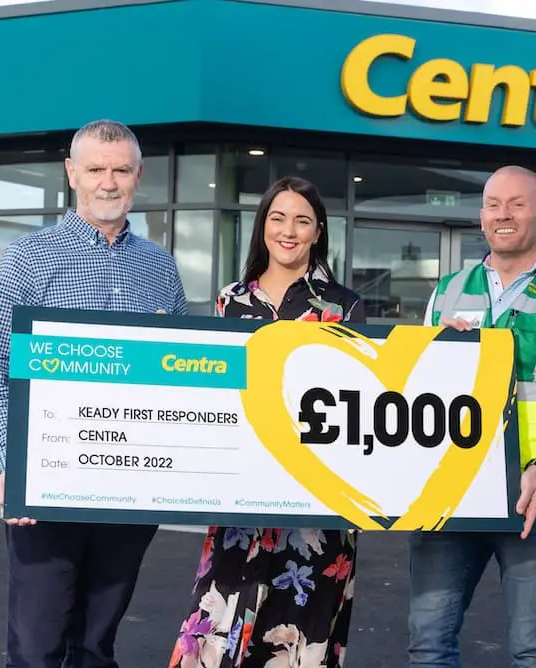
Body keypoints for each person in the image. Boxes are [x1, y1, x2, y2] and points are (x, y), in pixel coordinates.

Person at [0, 119, 189, 668]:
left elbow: (183, 382)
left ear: (138, 175)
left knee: (96, 647)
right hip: (45, 491)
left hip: (129, 493)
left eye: (120, 170)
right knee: (37, 647)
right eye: (95, 169)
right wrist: (15, 464)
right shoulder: (28, 258)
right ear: (72, 173)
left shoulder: (161, 268)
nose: (108, 182)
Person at [408, 165, 536, 667]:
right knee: (428, 643)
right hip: (451, 493)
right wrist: (438, 349)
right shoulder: (446, 293)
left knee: (530, 649)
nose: (503, 214)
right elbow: (417, 395)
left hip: (535, 497)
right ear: (481, 217)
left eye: (517, 204)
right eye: (493, 204)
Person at [169, 176, 364, 668]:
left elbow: (361, 399)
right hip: (241, 497)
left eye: (302, 220)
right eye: (278, 218)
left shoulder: (344, 307)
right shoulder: (229, 301)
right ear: (263, 227)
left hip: (315, 502)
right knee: (220, 626)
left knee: (297, 637)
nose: (289, 230)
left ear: (318, 231)